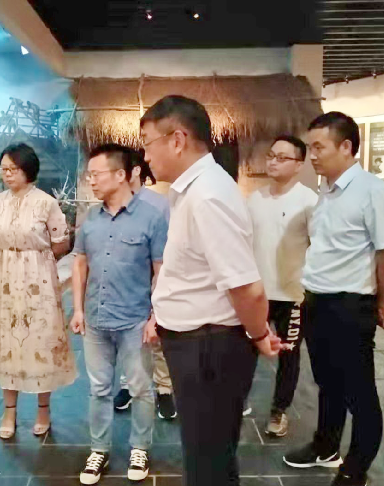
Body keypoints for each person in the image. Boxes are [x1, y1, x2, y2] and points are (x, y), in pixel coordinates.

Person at [141, 95, 281, 486]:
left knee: (208, 461)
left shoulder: (208, 195)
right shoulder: (194, 189)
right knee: (208, 453)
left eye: (148, 143)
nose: (145, 155)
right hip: (197, 344)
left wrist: (259, 334)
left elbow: (247, 288)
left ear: (177, 140)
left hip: (208, 348)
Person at [283, 112, 384, 486]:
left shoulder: (373, 192)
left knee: (359, 392)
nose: (313, 156)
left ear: (347, 146)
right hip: (317, 301)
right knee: (327, 383)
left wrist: (382, 302)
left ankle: (356, 468)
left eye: (319, 147)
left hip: (350, 306)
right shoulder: (327, 191)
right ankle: (325, 446)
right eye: (310, 147)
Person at [70, 144, 168, 484]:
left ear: (121, 175)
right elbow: (80, 264)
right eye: (89, 175)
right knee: (98, 389)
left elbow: (162, 270)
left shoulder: (152, 217)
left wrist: (155, 317)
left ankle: (140, 447)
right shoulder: (90, 219)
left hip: (135, 321)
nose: (91, 181)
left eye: (96, 174)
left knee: (140, 388)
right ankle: (99, 450)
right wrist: (78, 309)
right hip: (95, 320)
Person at [0, 143, 76, 440]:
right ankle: (9, 411)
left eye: (14, 169)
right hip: (5, 279)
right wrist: (12, 258)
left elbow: (61, 243)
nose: (7, 174)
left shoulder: (47, 203)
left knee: (41, 340)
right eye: (4, 169)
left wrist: (36, 260)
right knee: (7, 341)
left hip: (39, 280)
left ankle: (43, 410)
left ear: (28, 170)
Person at [246, 135, 318, 437]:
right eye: (271, 155)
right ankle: (238, 400)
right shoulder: (255, 199)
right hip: (257, 293)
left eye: (282, 157)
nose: (273, 161)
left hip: (292, 295)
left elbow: (318, 247)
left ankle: (279, 410)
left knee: (288, 354)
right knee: (247, 349)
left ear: (299, 165)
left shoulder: (309, 201)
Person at [114, 153, 176, 421]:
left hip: (156, 273)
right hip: (126, 277)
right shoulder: (114, 202)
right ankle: (128, 384)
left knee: (158, 332)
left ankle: (164, 388)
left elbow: (170, 242)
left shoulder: (159, 203)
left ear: (136, 171)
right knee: (128, 334)